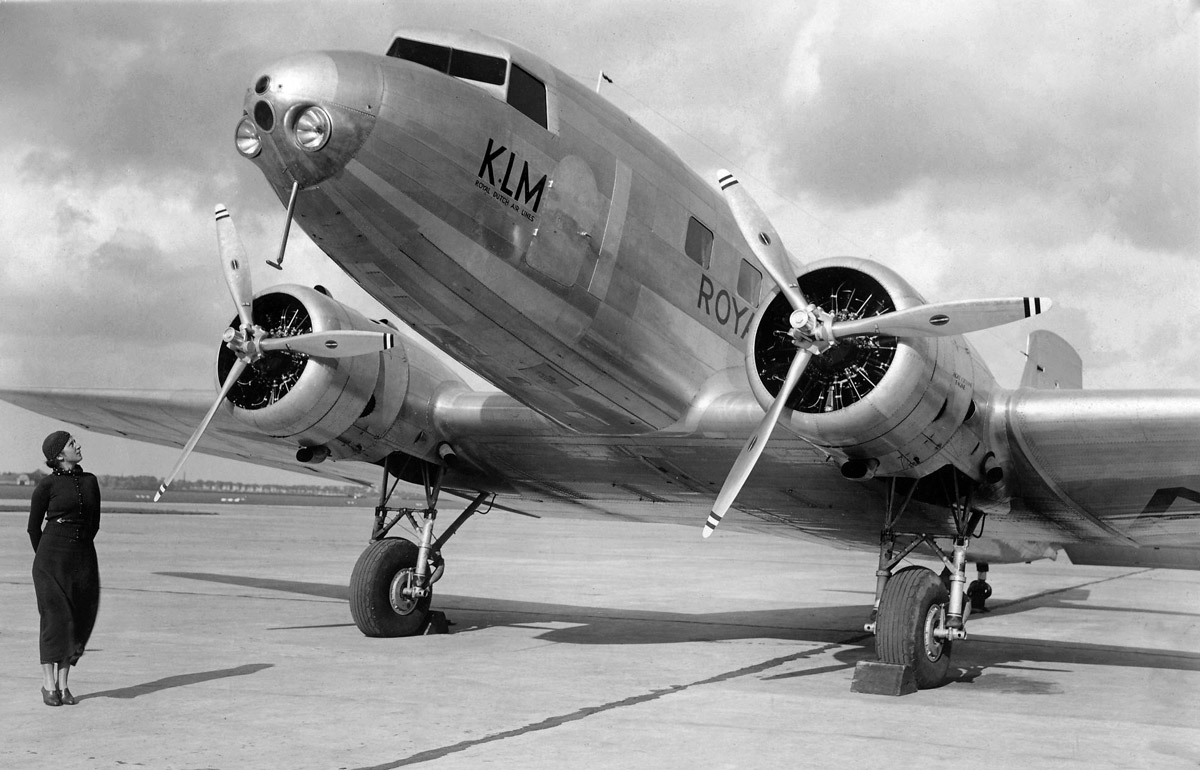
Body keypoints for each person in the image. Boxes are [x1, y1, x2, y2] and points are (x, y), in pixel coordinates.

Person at [27, 431, 101, 707]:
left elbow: (94, 523)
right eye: (71, 444)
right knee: (55, 621)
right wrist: (45, 559)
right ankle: (49, 685)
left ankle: (64, 685)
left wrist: (78, 552)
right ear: (59, 455)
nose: (77, 445)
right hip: (50, 562)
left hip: (81, 560)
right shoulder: (46, 486)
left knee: (76, 620)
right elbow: (33, 527)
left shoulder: (90, 482)